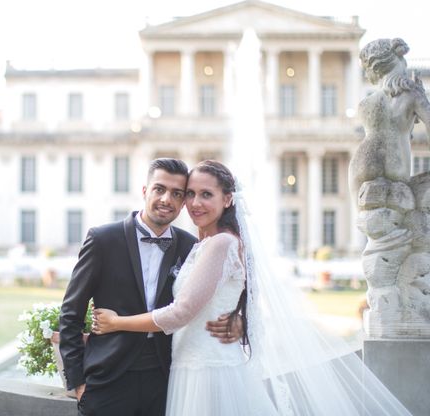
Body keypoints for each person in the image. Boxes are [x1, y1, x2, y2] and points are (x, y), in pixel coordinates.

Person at [93, 160, 412, 416]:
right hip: (195, 363)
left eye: (206, 195)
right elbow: (229, 296)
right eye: (190, 194)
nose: (194, 203)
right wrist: (239, 317)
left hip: (208, 372)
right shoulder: (202, 244)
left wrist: (117, 323)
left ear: (227, 199)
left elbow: (181, 312)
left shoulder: (219, 244)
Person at [59, 158, 243, 416]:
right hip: (108, 381)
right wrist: (78, 383)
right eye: (159, 189)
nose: (167, 199)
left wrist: (239, 319)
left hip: (166, 381)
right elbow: (71, 313)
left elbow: (227, 289)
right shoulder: (103, 240)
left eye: (178, 193)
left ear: (182, 203)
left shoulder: (191, 247)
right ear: (145, 191)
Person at [349, 38, 430, 195]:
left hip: (360, 164)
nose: (366, 75)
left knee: (362, 217)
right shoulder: (412, 94)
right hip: (395, 165)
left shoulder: (365, 103)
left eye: (367, 69)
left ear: (376, 68)